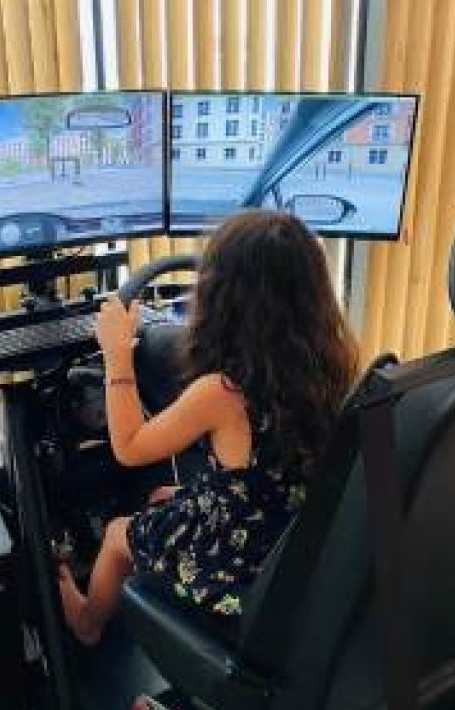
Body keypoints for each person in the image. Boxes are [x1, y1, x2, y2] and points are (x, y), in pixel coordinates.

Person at [58, 209, 359, 645]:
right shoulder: (330, 366)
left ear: (222, 298)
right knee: (163, 496)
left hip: (238, 567)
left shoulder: (223, 391)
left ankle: (88, 623)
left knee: (118, 533)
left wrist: (117, 354)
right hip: (286, 541)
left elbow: (128, 446)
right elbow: (266, 474)